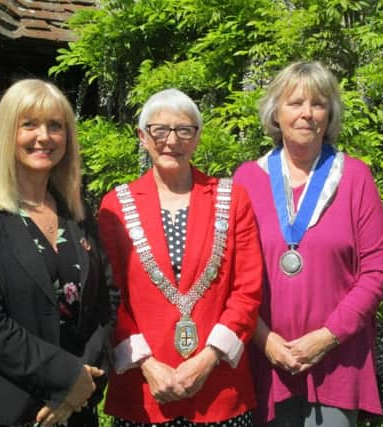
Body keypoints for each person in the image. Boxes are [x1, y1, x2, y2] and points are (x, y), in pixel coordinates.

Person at [233, 61, 383, 427]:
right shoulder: (247, 179)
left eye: (318, 103)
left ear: (330, 114)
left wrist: (326, 337)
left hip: (335, 363)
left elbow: (377, 269)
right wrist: (265, 340)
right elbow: (230, 272)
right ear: (276, 112)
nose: (307, 113)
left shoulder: (355, 177)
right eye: (295, 102)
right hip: (265, 362)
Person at [0, 79, 112, 427]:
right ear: (8, 133)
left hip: (76, 411)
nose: (44, 136)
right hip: (2, 410)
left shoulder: (79, 215)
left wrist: (84, 386)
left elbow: (106, 305)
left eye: (56, 125)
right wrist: (68, 377)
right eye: (30, 124)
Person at [98, 88, 263, 427]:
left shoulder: (233, 199)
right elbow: (109, 297)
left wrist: (207, 360)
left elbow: (247, 289)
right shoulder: (115, 204)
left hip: (218, 388)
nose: (171, 140)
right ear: (143, 137)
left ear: (197, 137)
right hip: (145, 389)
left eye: (184, 130)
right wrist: (148, 365)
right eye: (160, 129)